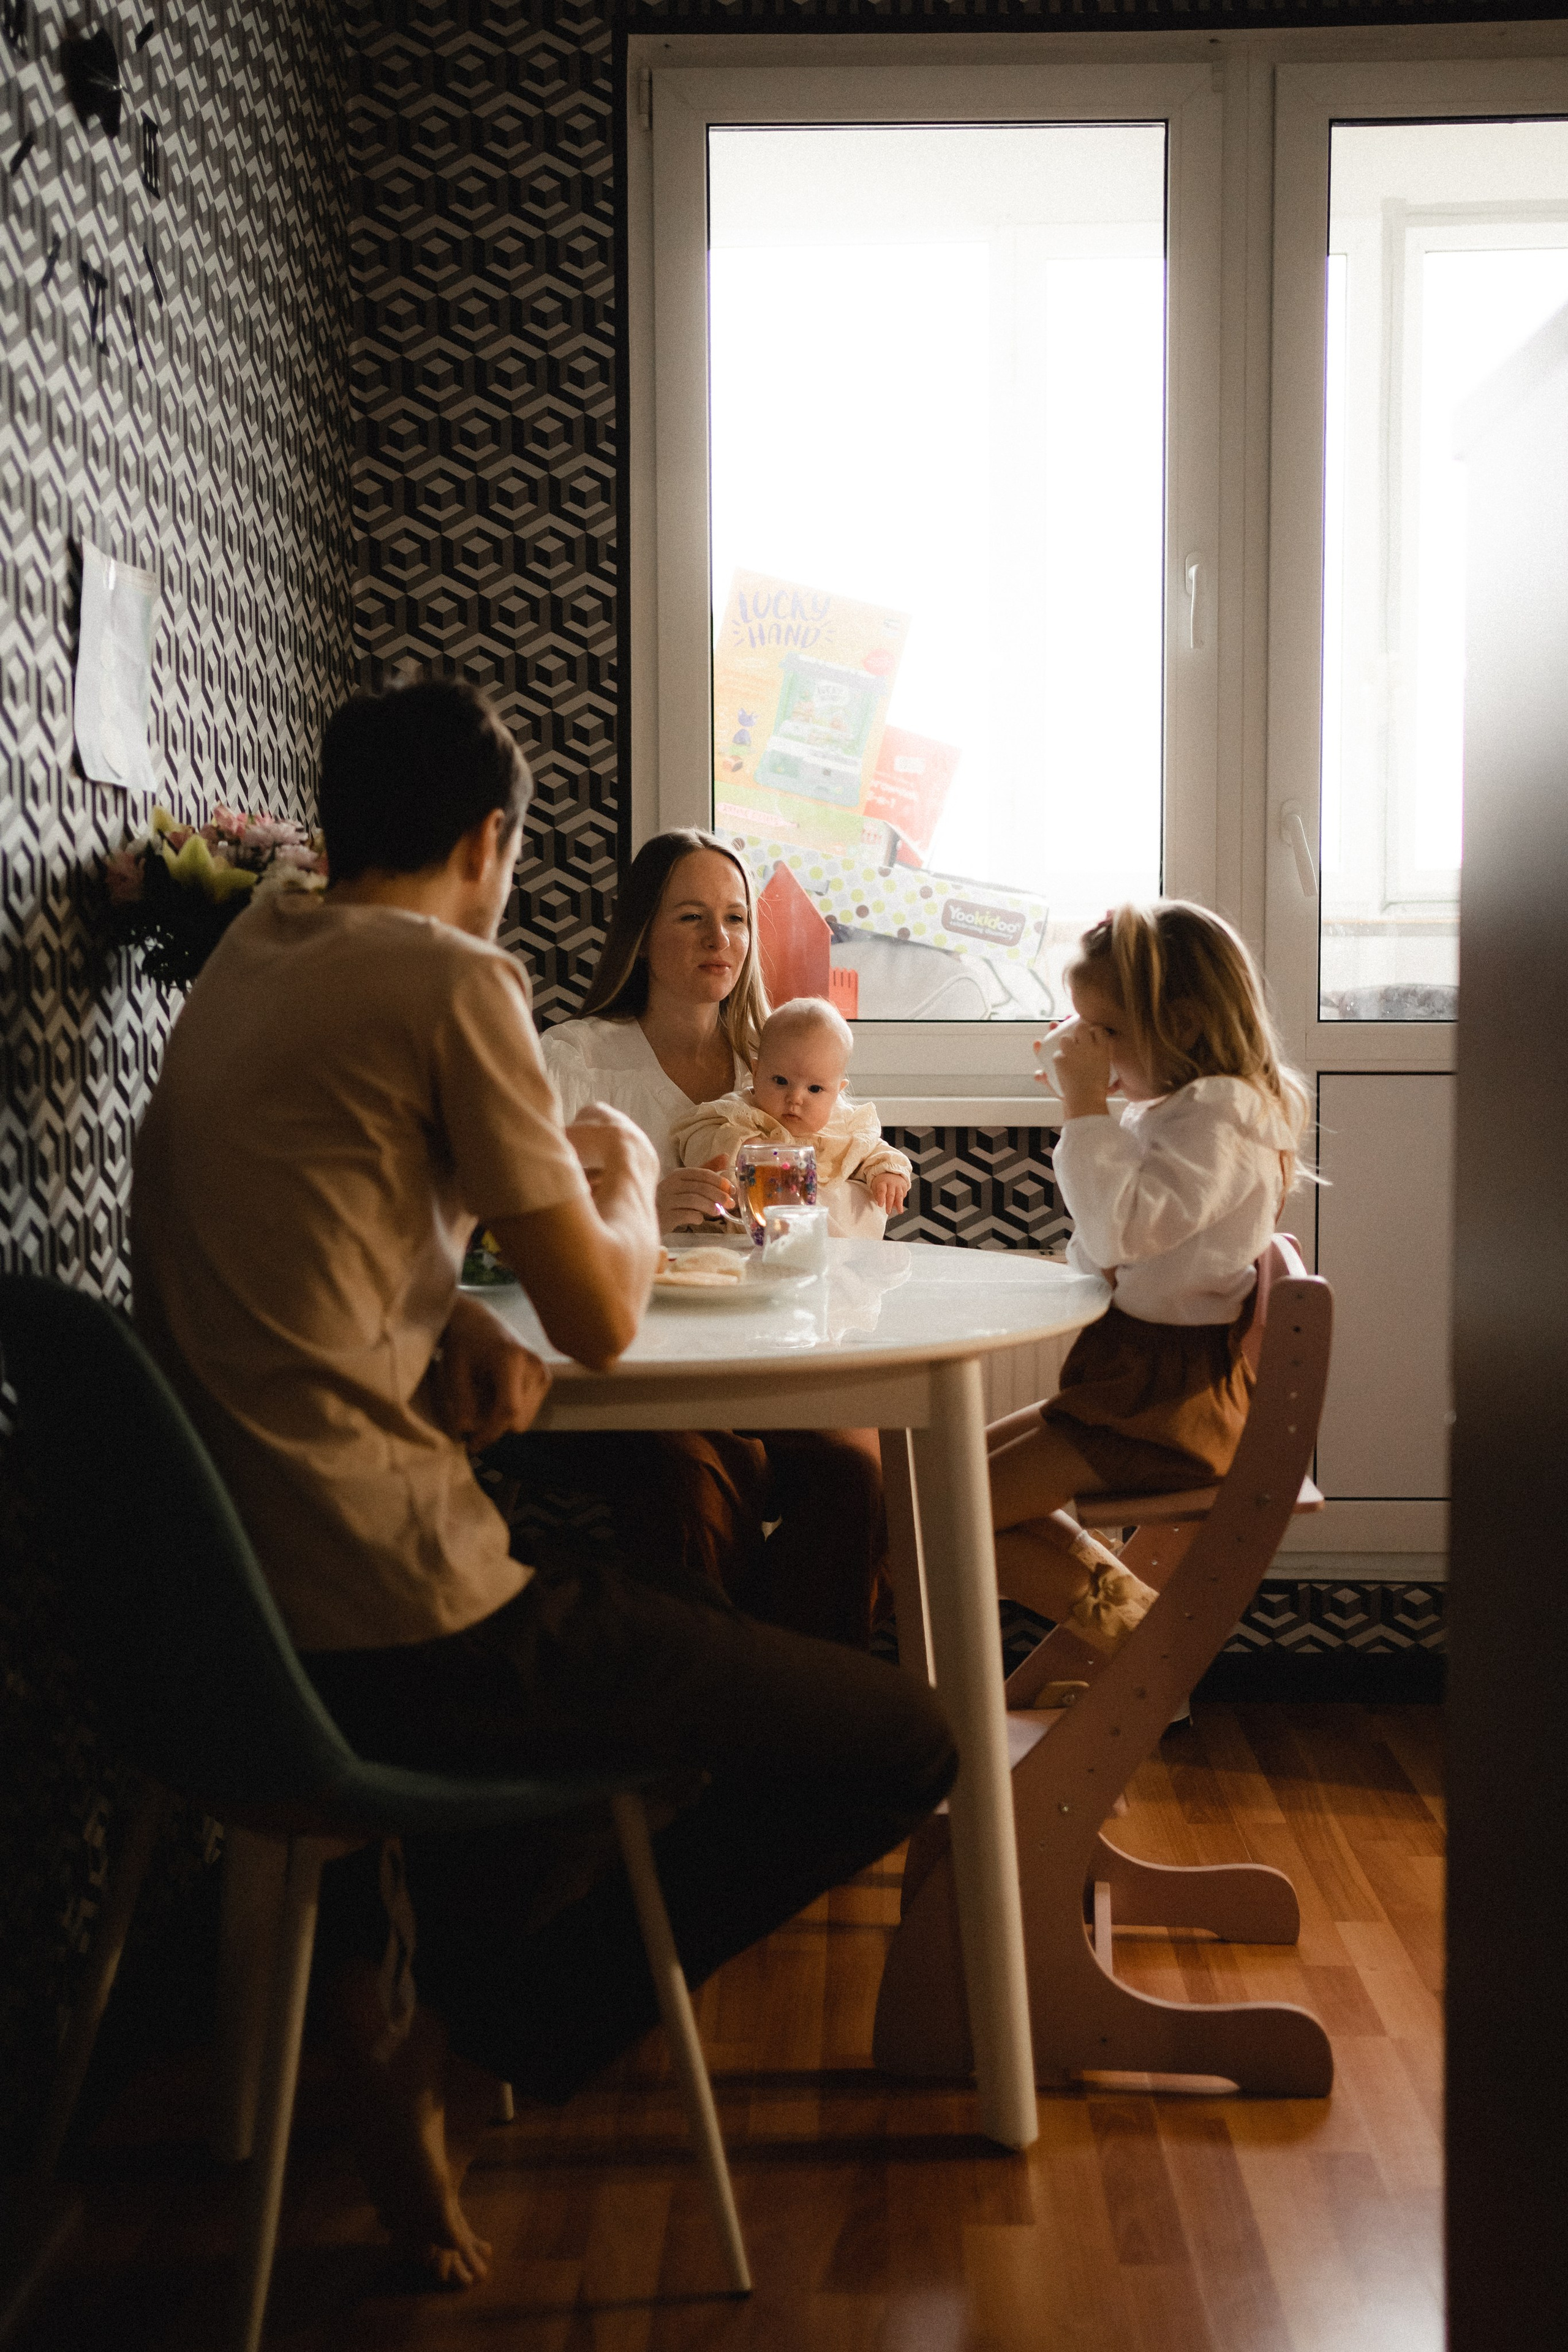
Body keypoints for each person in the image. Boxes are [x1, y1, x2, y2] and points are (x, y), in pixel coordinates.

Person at [130, 684, 956, 2290]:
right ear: (494, 842)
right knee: (900, 1742)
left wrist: (438, 1313)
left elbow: (299, 1212)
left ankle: (422, 1984)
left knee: (632, 1659)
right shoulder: (453, 977)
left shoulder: (252, 958)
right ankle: (461, 2041)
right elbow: (597, 1316)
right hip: (399, 1621)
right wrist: (634, 1176)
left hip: (218, 1621)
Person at [535, 831, 889, 1648]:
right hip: (634, 1362)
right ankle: (709, 1719)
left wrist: (803, 1204)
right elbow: (513, 1230)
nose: (718, 939)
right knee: (695, 1478)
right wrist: (639, 1209)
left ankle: (800, 1703)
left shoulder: (780, 1060)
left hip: (779, 1354)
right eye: (691, 917)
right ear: (641, 934)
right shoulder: (575, 1057)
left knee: (858, 1473)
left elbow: (860, 1209)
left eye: (734, 919)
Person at [987, 900, 1311, 1659]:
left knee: (947, 1510)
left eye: (1106, 1033)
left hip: (1166, 1400)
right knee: (944, 1486)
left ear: (1185, 1026)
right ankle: (1143, 1631)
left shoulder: (1221, 1115)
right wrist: (1094, 1107)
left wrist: (1081, 1104)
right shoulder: (1176, 1111)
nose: (1091, 1050)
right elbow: (1111, 1252)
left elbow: (1119, 1232)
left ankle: (1146, 1646)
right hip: (1133, 1381)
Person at [669, 996, 913, 1237]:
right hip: (749, 1241)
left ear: (837, 1092)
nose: (795, 1098)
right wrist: (743, 1146)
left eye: (815, 1089)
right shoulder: (742, 1113)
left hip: (831, 1252)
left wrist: (888, 1172)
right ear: (756, 1073)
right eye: (781, 1081)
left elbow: (874, 1150)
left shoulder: (845, 1124)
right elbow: (698, 1135)